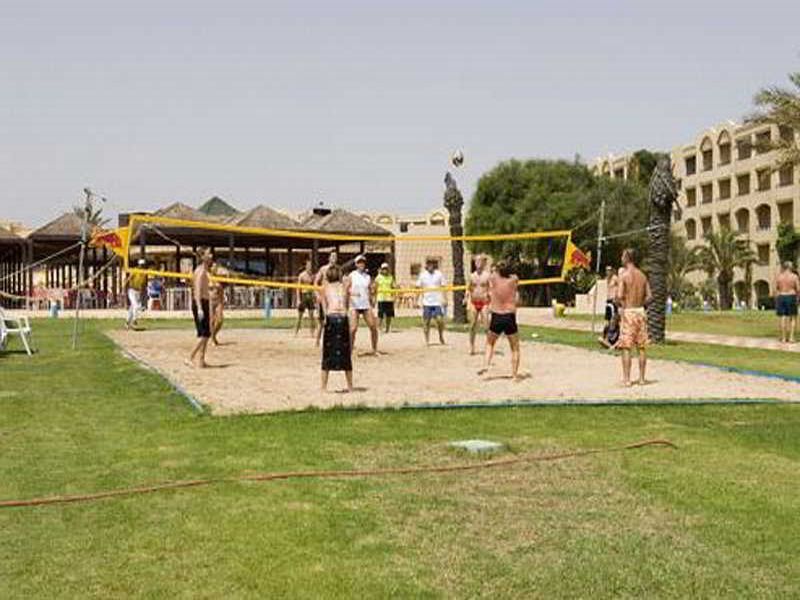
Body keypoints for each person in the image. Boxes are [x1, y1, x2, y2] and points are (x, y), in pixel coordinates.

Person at [479, 261, 521, 380]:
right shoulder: (514, 280)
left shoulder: (493, 278)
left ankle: (486, 367)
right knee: (515, 347)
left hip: (497, 315)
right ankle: (514, 376)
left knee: (490, 343)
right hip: (509, 316)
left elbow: (488, 278)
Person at [616, 248, 652, 387]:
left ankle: (627, 379)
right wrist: (641, 303)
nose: (621, 258)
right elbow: (649, 296)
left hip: (629, 311)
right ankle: (642, 378)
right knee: (641, 347)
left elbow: (620, 295)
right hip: (640, 311)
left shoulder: (624, 275)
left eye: (622, 256)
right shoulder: (642, 275)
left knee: (626, 347)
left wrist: (622, 304)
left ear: (627, 258)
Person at [320, 265, 353, 392]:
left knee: (337, 354)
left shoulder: (339, 287)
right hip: (337, 317)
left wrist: (324, 317)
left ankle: (325, 387)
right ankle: (348, 386)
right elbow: (325, 304)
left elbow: (325, 305)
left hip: (336, 317)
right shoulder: (331, 287)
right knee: (334, 354)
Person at [346, 255, 379, 355]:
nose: (361, 264)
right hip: (354, 304)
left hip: (365, 304)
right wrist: (352, 293)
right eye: (359, 262)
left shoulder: (367, 277)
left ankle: (374, 349)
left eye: (363, 262)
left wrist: (373, 295)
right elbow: (346, 289)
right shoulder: (352, 275)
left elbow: (370, 290)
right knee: (353, 329)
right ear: (356, 264)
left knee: (373, 327)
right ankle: (349, 350)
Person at [187, 248, 213, 368]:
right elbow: (197, 291)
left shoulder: (205, 270)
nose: (211, 256)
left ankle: (201, 360)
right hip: (200, 303)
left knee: (206, 334)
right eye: (208, 254)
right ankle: (189, 357)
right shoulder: (200, 271)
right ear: (203, 257)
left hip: (204, 302)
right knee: (203, 335)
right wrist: (199, 308)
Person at [416, 258, 447, 345]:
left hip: (437, 302)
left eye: (432, 264)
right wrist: (416, 300)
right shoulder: (422, 275)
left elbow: (443, 287)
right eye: (428, 264)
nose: (430, 266)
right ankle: (427, 340)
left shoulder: (439, 274)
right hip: (427, 302)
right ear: (426, 265)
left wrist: (445, 299)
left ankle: (441, 335)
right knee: (426, 322)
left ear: (434, 265)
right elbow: (418, 288)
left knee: (439, 320)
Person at [466, 254, 491, 355]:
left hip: (484, 302)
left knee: (486, 326)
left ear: (483, 263)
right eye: (476, 261)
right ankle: (472, 347)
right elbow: (468, 288)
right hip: (474, 302)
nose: (478, 263)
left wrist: (491, 297)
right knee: (472, 325)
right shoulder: (472, 276)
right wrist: (466, 297)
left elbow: (491, 288)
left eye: (480, 261)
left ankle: (488, 346)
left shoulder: (487, 276)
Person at [314, 251, 338, 347]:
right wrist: (317, 294)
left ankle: (332, 341)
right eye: (332, 256)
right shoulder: (323, 269)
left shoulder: (338, 270)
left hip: (333, 297)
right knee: (322, 321)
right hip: (324, 297)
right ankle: (317, 341)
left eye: (335, 256)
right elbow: (315, 282)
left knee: (333, 320)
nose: (334, 258)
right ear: (329, 258)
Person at [774, 261, 800, 343]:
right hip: (791, 296)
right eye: (791, 265)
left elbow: (776, 288)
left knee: (783, 317)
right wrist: (798, 298)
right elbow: (798, 289)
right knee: (793, 318)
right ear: (789, 267)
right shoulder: (794, 276)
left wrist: (777, 298)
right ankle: (791, 338)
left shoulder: (779, 276)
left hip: (781, 296)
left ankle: (783, 338)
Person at [295, 260, 317, 338]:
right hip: (303, 295)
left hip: (310, 296)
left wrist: (315, 298)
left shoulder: (312, 276)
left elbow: (314, 287)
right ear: (306, 266)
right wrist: (298, 299)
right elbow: (298, 288)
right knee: (300, 316)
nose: (309, 267)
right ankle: (296, 332)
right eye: (308, 265)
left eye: (310, 266)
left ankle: (312, 333)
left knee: (311, 316)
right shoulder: (302, 275)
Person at [123, 259, 147, 329]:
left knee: (132, 308)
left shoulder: (144, 273)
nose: (142, 266)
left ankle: (127, 322)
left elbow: (143, 284)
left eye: (143, 265)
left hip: (138, 292)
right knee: (136, 306)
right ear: (139, 265)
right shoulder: (135, 271)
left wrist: (143, 294)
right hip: (132, 291)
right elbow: (128, 280)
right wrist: (124, 288)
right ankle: (134, 321)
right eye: (141, 265)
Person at [375, 262, 397, 333]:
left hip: (389, 298)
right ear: (381, 269)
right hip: (381, 298)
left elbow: (393, 286)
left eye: (386, 269)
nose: (385, 270)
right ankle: (379, 328)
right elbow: (375, 287)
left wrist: (394, 295)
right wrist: (374, 298)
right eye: (383, 269)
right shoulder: (378, 277)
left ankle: (388, 328)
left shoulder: (390, 277)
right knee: (380, 315)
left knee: (389, 314)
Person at [210, 265, 225, 346]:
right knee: (211, 321)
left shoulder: (219, 279)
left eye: (216, 267)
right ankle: (213, 338)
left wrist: (222, 303)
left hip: (218, 301)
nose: (214, 269)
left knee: (220, 320)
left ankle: (213, 335)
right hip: (210, 301)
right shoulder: (207, 277)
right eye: (213, 267)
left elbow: (221, 291)